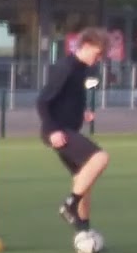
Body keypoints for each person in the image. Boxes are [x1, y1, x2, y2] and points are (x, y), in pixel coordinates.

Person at [36, 27, 110, 232]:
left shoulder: (82, 68)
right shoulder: (66, 67)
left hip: (68, 128)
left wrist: (82, 112)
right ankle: (69, 205)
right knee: (100, 158)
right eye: (98, 53)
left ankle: (84, 231)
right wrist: (52, 131)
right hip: (58, 131)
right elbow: (42, 101)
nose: (99, 59)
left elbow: (68, 98)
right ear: (85, 46)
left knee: (83, 181)